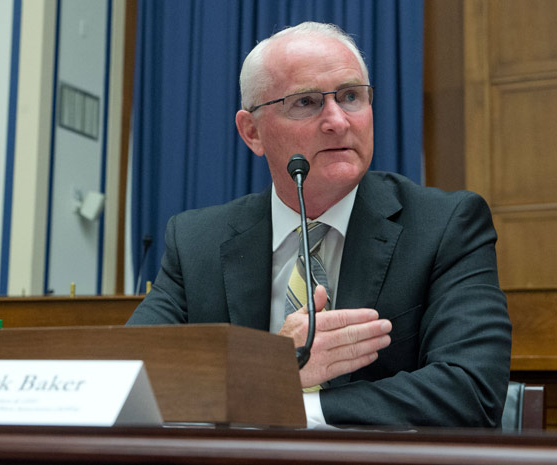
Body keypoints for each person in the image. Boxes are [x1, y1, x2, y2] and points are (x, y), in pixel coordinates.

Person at [127, 21, 511, 428]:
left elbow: (472, 391)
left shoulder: (445, 226)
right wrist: (267, 371)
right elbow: (128, 381)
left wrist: (286, 406)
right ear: (252, 132)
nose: (337, 121)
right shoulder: (196, 242)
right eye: (306, 102)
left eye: (351, 97)